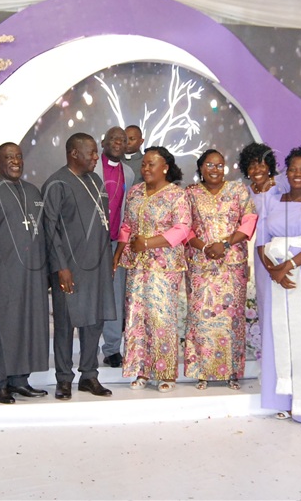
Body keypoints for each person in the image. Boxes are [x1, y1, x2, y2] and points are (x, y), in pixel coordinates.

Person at [255, 147, 301, 423]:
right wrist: (272, 269)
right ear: (286, 171)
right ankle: (283, 399)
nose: (298, 174)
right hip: (276, 276)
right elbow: (262, 239)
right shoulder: (273, 200)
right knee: (279, 335)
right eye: (293, 169)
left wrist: (290, 265)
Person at [0, 143, 50, 404]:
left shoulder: (32, 190)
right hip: (2, 275)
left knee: (27, 326)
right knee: (3, 328)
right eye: (8, 158)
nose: (15, 161)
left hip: (33, 275)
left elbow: (43, 234)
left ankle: (20, 380)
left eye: (18, 157)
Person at [42, 133, 117, 400]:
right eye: (92, 152)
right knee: (65, 323)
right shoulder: (56, 184)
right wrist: (61, 267)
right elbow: (49, 231)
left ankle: (89, 375)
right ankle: (64, 379)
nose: (97, 157)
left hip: (96, 265)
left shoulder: (95, 180)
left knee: (93, 322)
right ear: (74, 153)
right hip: (69, 268)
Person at [114, 147, 190, 392]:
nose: (145, 169)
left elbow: (182, 229)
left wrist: (147, 243)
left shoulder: (177, 195)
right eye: (143, 165)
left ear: (165, 167)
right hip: (137, 266)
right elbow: (126, 226)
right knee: (136, 317)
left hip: (163, 266)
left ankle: (165, 373)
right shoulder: (135, 192)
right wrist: (118, 254)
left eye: (151, 165)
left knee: (161, 318)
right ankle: (142, 370)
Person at [184, 149, 257, 390]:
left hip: (231, 264)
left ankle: (232, 372)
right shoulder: (190, 194)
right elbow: (185, 228)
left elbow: (249, 221)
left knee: (231, 320)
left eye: (219, 165)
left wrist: (224, 243)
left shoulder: (238, 191)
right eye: (209, 165)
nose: (215, 169)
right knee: (201, 319)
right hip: (201, 265)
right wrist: (205, 248)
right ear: (201, 168)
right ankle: (202, 372)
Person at [94, 127, 136, 369]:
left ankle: (111, 349)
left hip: (114, 244)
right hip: (90, 244)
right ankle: (89, 348)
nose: (118, 143)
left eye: (122, 140)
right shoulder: (91, 166)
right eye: (113, 139)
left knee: (115, 297)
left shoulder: (128, 173)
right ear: (103, 142)